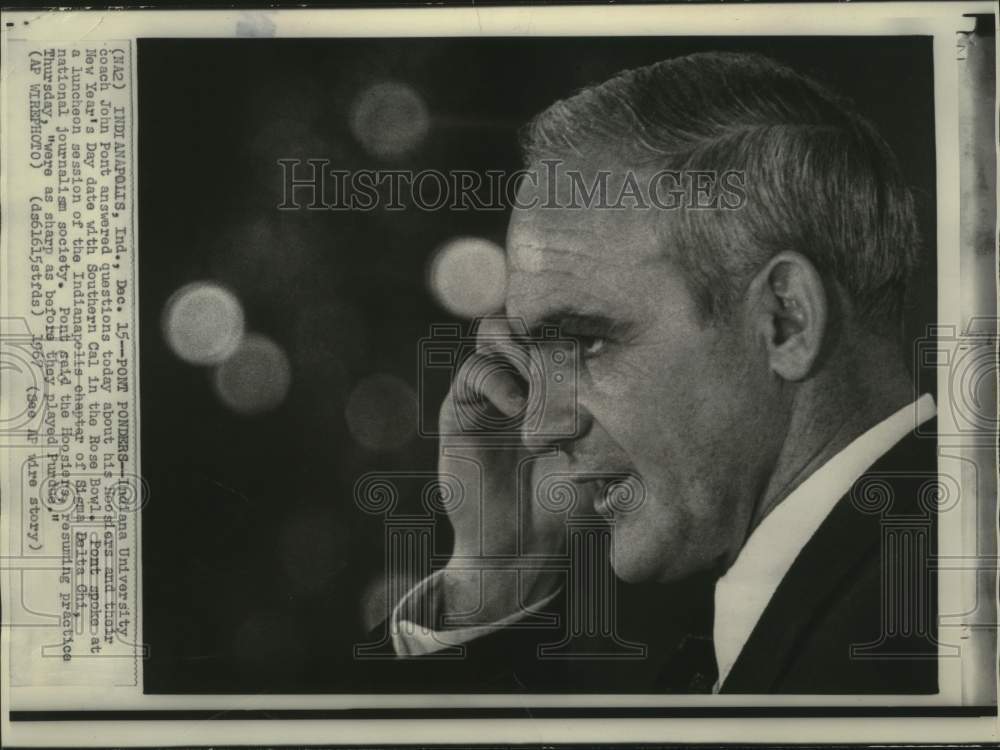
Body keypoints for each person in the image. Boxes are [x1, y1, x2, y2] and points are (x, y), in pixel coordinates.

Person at [380, 51, 938, 694]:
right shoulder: (895, 593)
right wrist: (495, 574)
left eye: (586, 342)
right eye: (539, 356)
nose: (538, 431)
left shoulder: (913, 633)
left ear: (786, 321)